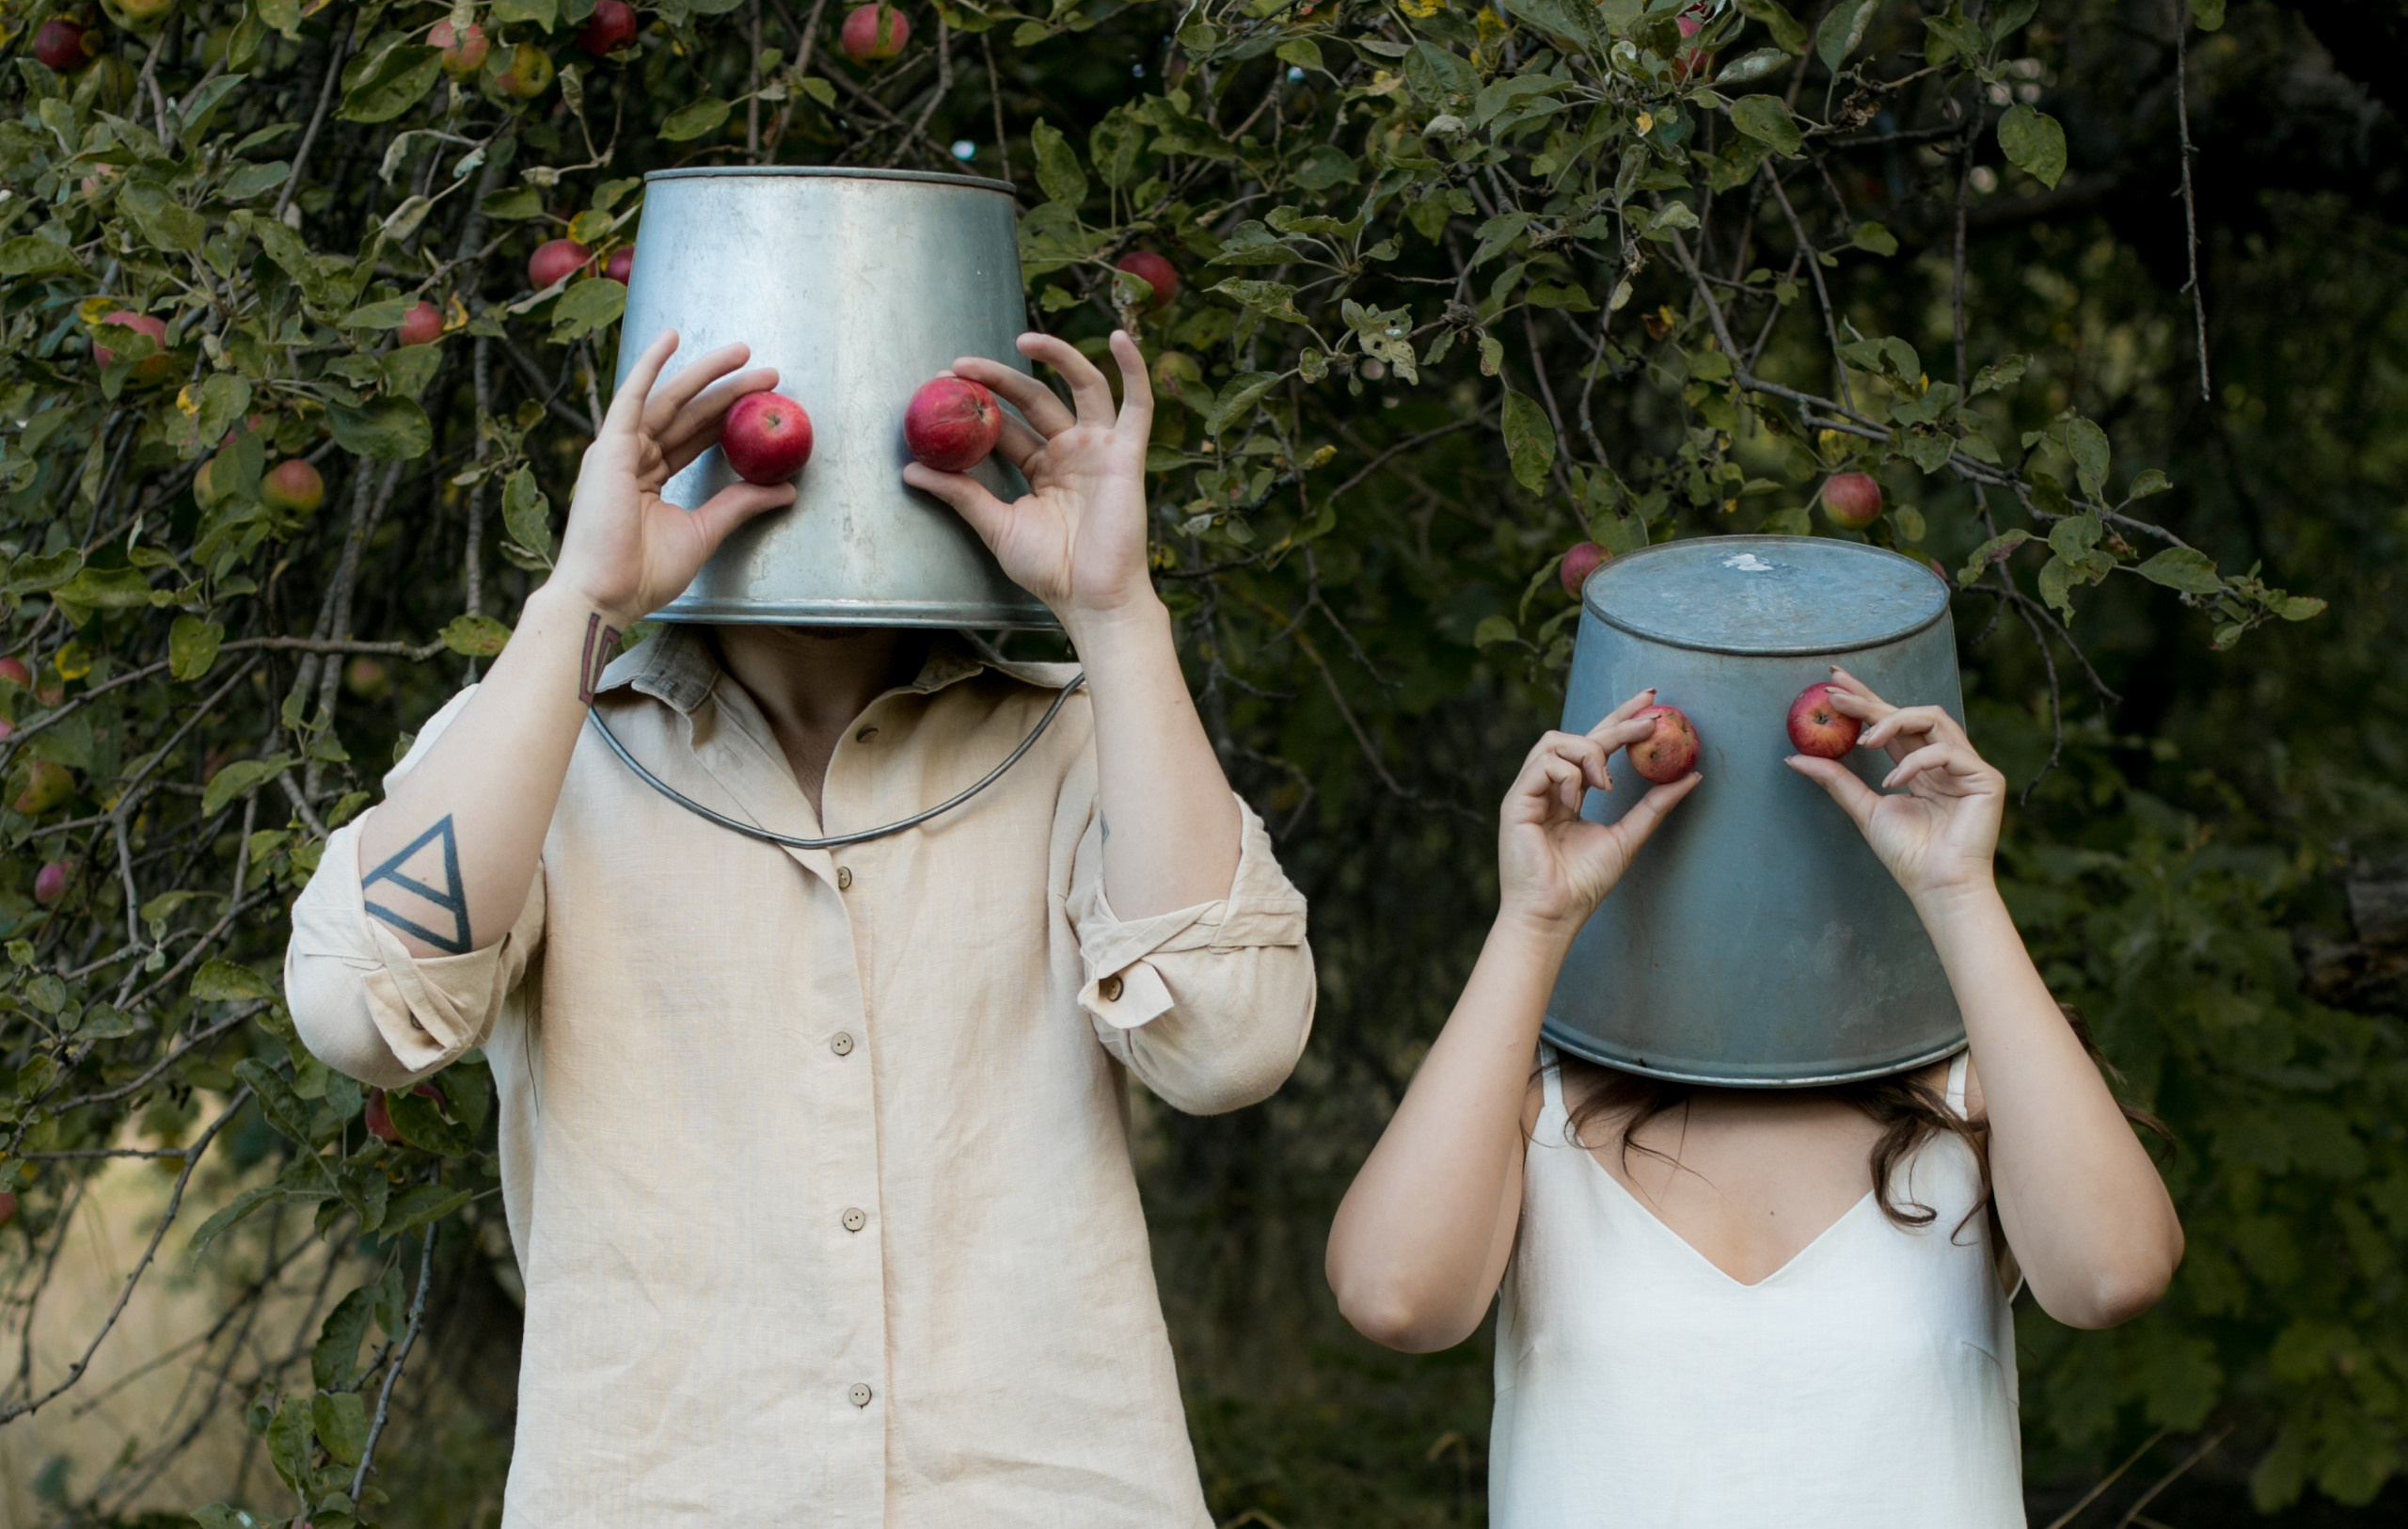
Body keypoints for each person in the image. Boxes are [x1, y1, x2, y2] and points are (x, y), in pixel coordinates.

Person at [285, 327, 1317, 1526]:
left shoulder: (1088, 739)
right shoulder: (535, 739)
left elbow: (1232, 1042)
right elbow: (364, 1012)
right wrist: (583, 598)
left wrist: (1117, 613)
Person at [1323, 675, 2183, 1525]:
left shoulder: (1967, 1092)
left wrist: (1959, 890)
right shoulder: (1535, 1104)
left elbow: (2113, 1273)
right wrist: (1533, 919)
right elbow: (1394, 1296)